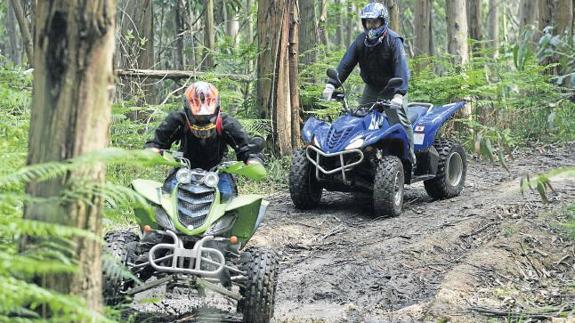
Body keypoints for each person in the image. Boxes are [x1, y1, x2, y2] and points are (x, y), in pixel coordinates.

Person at [322, 2, 415, 165]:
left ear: (382, 21)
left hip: (393, 87)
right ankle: (362, 158)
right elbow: (346, 63)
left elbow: (402, 68)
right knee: (360, 119)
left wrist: (399, 94)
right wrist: (332, 84)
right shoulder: (360, 41)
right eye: (368, 22)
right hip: (372, 88)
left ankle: (410, 158)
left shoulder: (393, 40)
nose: (371, 25)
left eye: (375, 22)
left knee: (399, 120)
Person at [145, 81, 263, 200]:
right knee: (168, 194)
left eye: (206, 118)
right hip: (185, 169)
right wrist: (152, 151)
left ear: (216, 109)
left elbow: (246, 147)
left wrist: (252, 160)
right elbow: (158, 143)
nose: (202, 121)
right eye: (198, 118)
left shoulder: (227, 123)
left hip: (218, 171)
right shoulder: (178, 120)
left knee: (227, 197)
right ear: (187, 110)